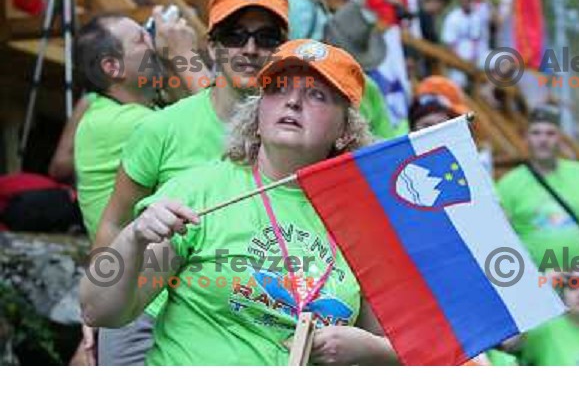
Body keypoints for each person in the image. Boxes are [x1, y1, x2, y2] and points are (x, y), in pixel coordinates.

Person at [81, 40, 399, 366]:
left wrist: (372, 351)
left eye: (316, 95)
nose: (292, 102)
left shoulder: (362, 222)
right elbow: (98, 309)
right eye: (278, 89)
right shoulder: (199, 191)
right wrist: (133, 239)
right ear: (258, 112)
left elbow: (407, 349)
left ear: (345, 131)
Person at [92, 0, 289, 365]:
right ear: (213, 46)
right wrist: (100, 294)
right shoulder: (160, 129)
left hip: (244, 317)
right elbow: (113, 224)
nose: (250, 50)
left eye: (265, 38)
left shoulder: (300, 135)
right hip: (146, 306)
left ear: (283, 49)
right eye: (235, 36)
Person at [72, 11, 199, 364]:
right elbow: (222, 124)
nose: (153, 40)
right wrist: (184, 54)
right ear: (113, 67)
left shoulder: (106, 108)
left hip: (139, 296)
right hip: (138, 305)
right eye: (142, 38)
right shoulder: (121, 123)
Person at [497, 105, 579, 272]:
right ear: (526, 138)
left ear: (560, 138)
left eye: (550, 133)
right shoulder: (508, 183)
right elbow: (500, 234)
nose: (543, 139)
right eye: (536, 133)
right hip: (535, 282)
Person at [518, 269, 579, 365]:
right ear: (563, 294)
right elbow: (508, 342)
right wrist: (541, 287)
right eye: (573, 287)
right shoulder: (543, 326)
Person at [441, 0, 491, 88]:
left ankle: (488, 90)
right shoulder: (452, 18)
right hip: (460, 62)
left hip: (478, 59)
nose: (465, 1)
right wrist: (463, 63)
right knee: (457, 83)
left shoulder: (477, 16)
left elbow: (477, 41)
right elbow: (449, 46)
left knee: (508, 60)